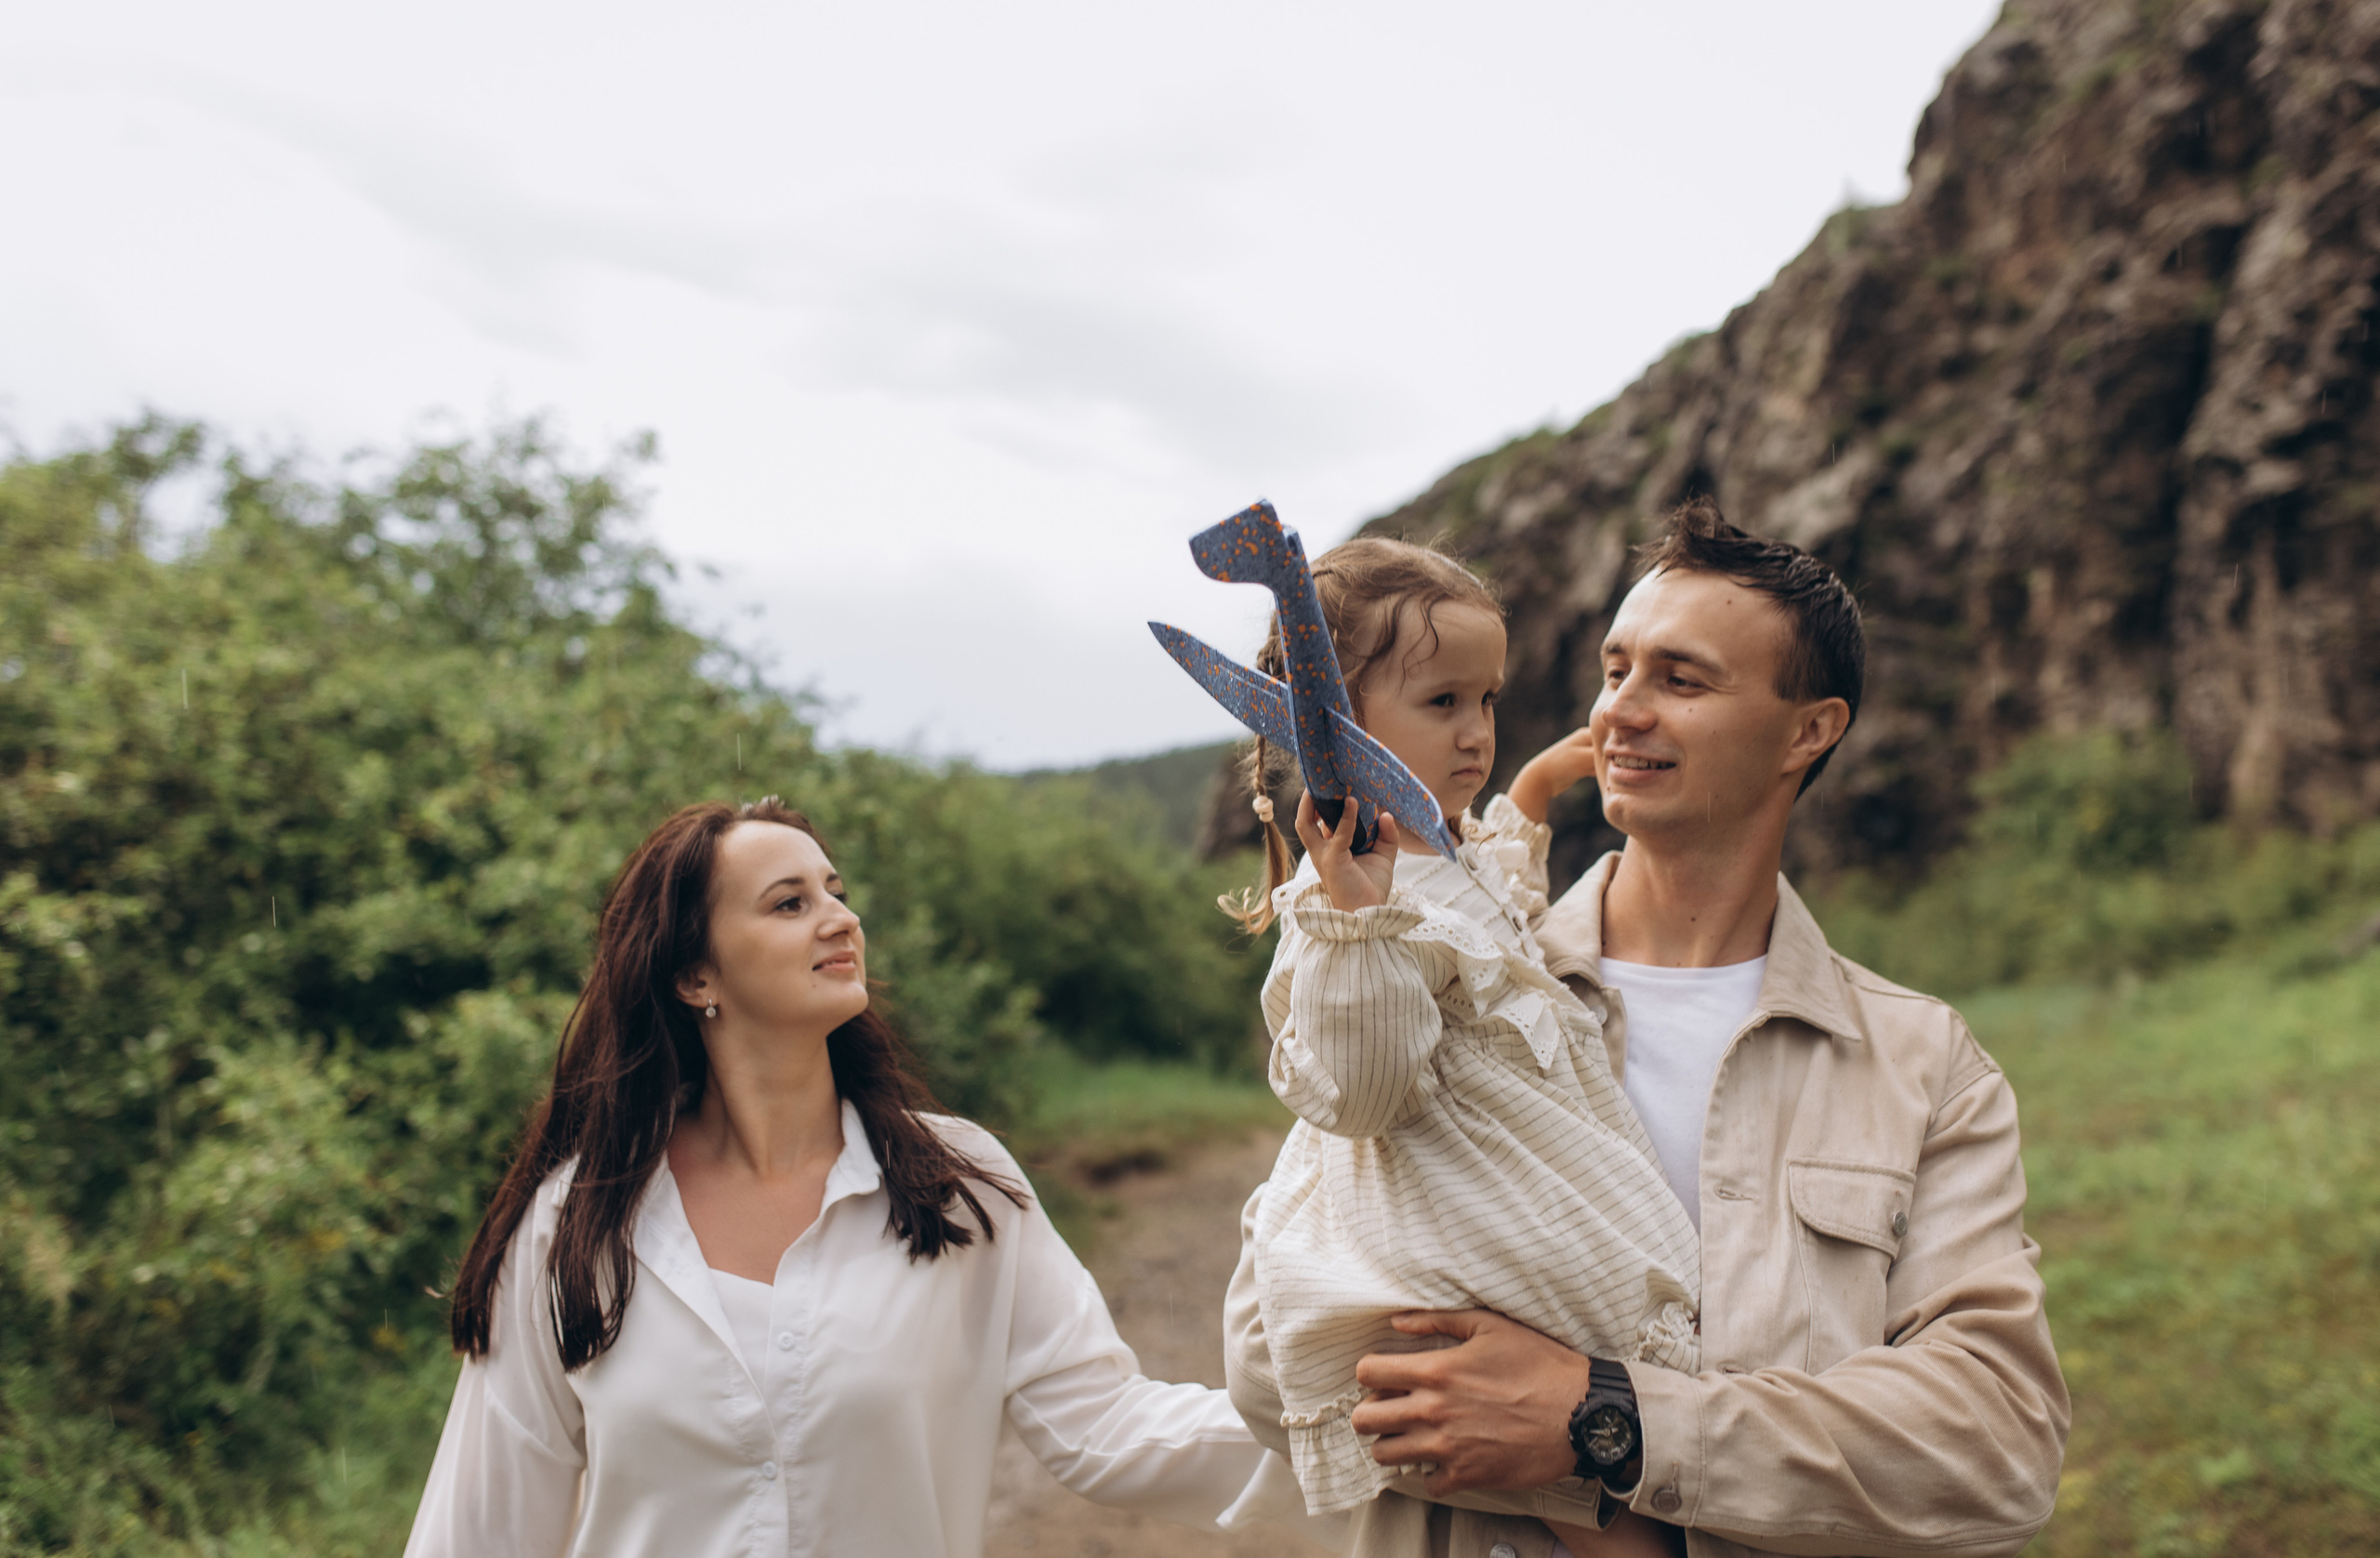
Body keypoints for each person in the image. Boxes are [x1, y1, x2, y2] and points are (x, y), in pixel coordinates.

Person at [1224, 501, 2070, 1558]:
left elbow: (1997, 1445)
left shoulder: (1921, 1065)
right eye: (1615, 670)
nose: (1621, 711)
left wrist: (1599, 1421)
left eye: (1681, 679)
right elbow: (1269, 1355)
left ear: (1809, 730)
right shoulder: (1455, 982)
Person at [404, 798, 1334, 1558]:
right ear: (694, 975)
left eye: (834, 892)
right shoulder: (575, 1224)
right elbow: (480, 1528)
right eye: (787, 903)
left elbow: (1110, 1427)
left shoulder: (957, 1187)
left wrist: (1353, 1426)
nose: (838, 918)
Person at [1220, 535, 1702, 1558]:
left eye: (1486, 700)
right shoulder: (1340, 903)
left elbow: (1499, 914)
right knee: (1592, 1460)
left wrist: (1526, 797)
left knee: (1609, 1431)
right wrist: (1357, 927)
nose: (1475, 731)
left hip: (1522, 1172)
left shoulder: (1446, 848)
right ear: (1338, 729)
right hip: (1463, 1205)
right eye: (1442, 703)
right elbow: (1361, 1089)